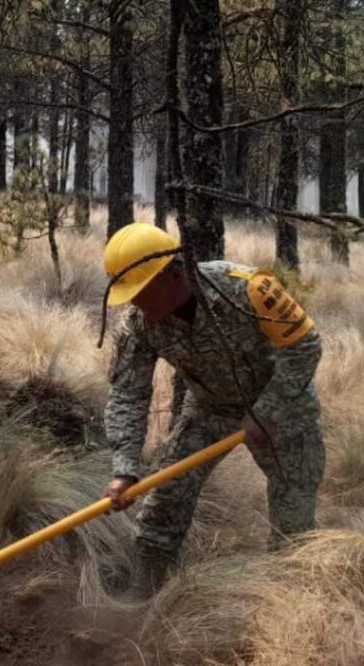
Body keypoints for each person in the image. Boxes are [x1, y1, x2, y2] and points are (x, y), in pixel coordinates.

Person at [101, 222, 324, 600]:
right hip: (210, 409)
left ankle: (289, 599)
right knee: (166, 496)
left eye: (141, 292)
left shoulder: (247, 288)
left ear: (172, 273)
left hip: (283, 406)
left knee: (293, 516)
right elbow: (128, 393)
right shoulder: (139, 324)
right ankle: (145, 587)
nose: (135, 303)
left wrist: (267, 410)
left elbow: (305, 346)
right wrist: (125, 468)